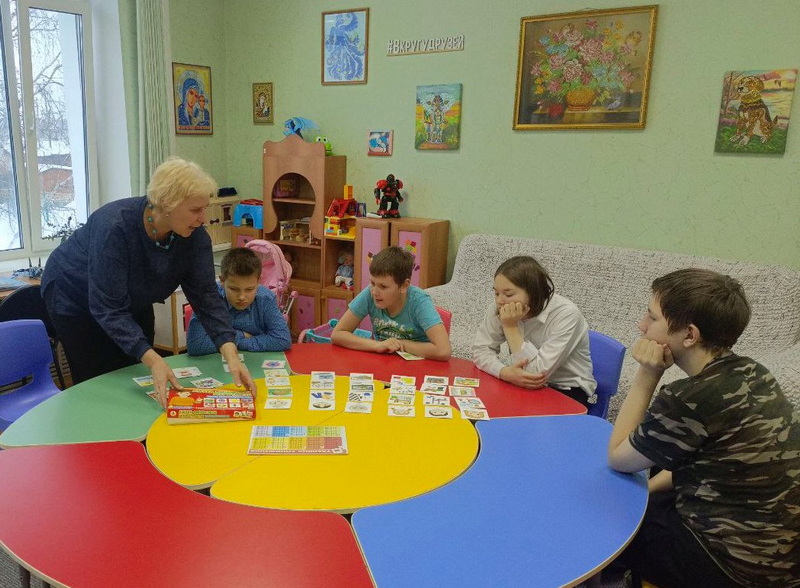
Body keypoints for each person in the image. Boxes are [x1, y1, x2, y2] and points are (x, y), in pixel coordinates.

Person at [607, 268, 800, 587]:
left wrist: (647, 374)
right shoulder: (754, 372)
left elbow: (617, 457)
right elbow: (707, 463)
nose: (641, 325)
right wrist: (647, 492)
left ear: (689, 335)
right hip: (780, 557)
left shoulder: (689, 400)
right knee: (648, 482)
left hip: (734, 568)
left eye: (652, 318)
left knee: (608, 517)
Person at [42, 157, 256, 406]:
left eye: (205, 208)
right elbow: (108, 307)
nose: (204, 219)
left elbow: (206, 295)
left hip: (132, 297)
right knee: (99, 381)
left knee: (137, 372)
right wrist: (154, 360)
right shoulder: (114, 226)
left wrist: (230, 351)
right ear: (167, 204)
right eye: (196, 210)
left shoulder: (195, 236)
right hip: (74, 296)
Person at [472, 256, 596, 408]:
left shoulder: (567, 314)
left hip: (566, 388)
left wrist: (510, 327)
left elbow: (534, 375)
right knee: (482, 405)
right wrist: (503, 372)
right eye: (496, 293)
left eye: (509, 294)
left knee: (510, 415)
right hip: (519, 379)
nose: (500, 301)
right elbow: (481, 349)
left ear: (533, 292)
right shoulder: (502, 306)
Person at [331, 246, 450, 360]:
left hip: (418, 366)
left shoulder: (419, 301)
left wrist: (400, 344)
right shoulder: (370, 293)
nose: (375, 292)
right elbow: (337, 334)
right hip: (383, 363)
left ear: (404, 286)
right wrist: (377, 345)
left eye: (383, 287)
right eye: (372, 283)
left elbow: (443, 351)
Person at [186, 247, 291, 355]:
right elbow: (196, 345)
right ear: (222, 281)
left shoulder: (266, 299)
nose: (241, 297)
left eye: (249, 289)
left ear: (258, 282)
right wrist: (241, 335)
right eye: (234, 289)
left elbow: (282, 339)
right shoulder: (208, 298)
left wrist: (234, 342)